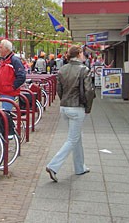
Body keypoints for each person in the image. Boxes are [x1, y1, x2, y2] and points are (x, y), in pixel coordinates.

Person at [46, 45, 95, 182]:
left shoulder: (62, 69)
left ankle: (80, 167)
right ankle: (53, 166)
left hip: (65, 107)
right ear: (79, 54)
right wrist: (88, 107)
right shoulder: (84, 70)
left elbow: (59, 90)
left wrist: (64, 101)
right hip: (77, 107)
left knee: (76, 137)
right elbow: (89, 91)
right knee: (73, 139)